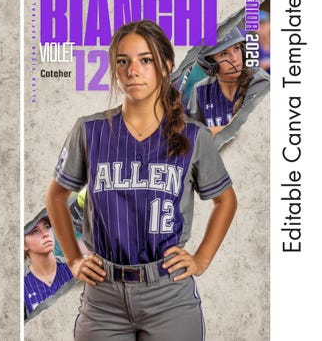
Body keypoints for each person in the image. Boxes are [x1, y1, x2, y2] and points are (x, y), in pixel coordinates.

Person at [45, 20, 237, 339]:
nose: (133, 70)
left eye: (145, 60)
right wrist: (75, 259)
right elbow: (55, 197)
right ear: (115, 69)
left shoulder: (193, 136)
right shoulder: (89, 131)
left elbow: (225, 199)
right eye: (123, 61)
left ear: (166, 66)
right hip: (102, 295)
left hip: (169, 295)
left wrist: (201, 259)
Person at [186, 27, 270, 135]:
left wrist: (204, 134)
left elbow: (244, 131)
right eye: (224, 54)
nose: (234, 58)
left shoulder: (260, 81)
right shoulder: (201, 90)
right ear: (209, 63)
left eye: (236, 48)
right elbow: (191, 136)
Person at [23, 213, 74, 319]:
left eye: (47, 227)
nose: (45, 233)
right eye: (35, 231)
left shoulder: (74, 267)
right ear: (24, 245)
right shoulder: (22, 287)